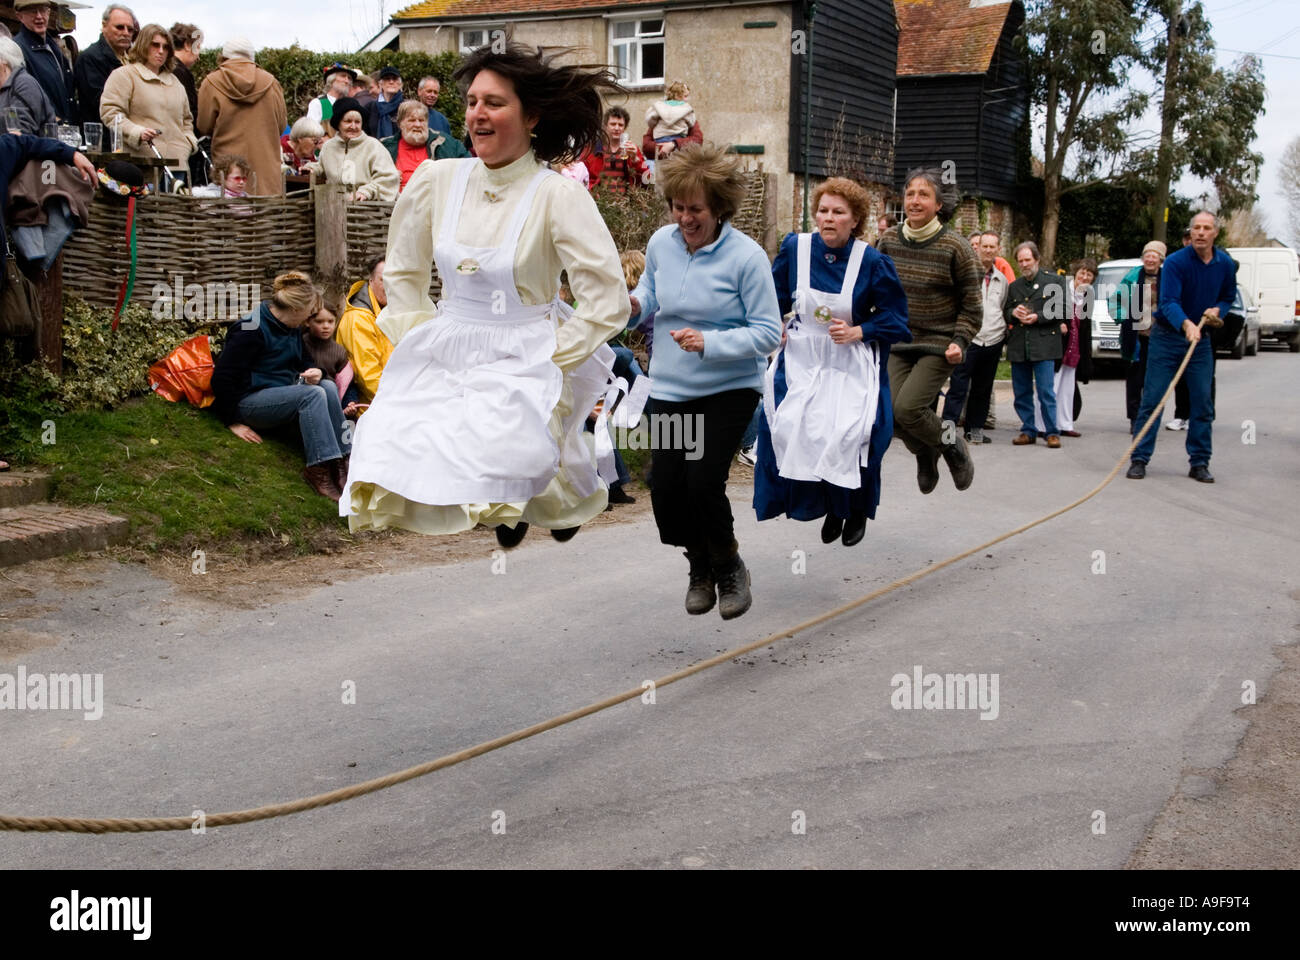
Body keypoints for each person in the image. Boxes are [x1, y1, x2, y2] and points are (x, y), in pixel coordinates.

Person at [342, 42, 629, 548]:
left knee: (514, 443)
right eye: (472, 101)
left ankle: (548, 505)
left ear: (531, 115)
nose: (477, 114)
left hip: (527, 343)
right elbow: (404, 273)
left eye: (494, 102)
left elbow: (607, 299)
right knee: (390, 433)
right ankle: (516, 504)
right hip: (451, 336)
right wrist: (419, 342)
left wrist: (552, 358)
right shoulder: (436, 179)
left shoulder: (557, 195)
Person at [628, 142, 782, 619]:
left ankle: (729, 566)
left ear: (719, 207)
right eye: (678, 207)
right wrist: (634, 306)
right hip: (671, 387)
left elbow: (768, 332)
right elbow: (650, 292)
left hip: (727, 389)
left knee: (702, 481)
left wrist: (711, 343)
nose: (686, 218)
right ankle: (699, 565)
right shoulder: (660, 244)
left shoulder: (746, 258)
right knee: (667, 487)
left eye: (696, 209)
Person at [754, 176, 910, 549]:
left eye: (838, 212)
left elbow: (896, 320)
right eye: (823, 210)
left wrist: (860, 330)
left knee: (858, 432)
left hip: (849, 359)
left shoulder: (871, 262)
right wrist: (774, 323)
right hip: (804, 356)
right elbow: (772, 295)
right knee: (792, 426)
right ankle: (825, 504)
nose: (828, 218)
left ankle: (853, 508)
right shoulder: (796, 248)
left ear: (855, 219)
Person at [876, 167, 981, 493]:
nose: (915, 200)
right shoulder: (888, 241)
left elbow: (973, 304)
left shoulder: (956, 247)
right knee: (890, 414)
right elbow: (872, 289)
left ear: (938, 204)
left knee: (908, 408)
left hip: (940, 343)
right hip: (899, 340)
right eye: (910, 194)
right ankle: (925, 452)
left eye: (924, 194)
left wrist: (961, 340)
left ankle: (952, 445)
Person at [211, 272, 352, 501]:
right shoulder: (250, 329)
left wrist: (316, 371)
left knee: (325, 385)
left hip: (283, 392)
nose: (311, 318)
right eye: (310, 313)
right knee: (312, 395)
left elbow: (303, 361)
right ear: (296, 310)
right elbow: (222, 379)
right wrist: (232, 421)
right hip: (249, 402)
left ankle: (343, 460)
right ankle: (319, 468)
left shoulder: (291, 325)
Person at [1126, 211, 1235, 483]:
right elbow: (1168, 302)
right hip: (1167, 337)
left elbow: (1228, 296)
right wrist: (1186, 324)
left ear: (1215, 233)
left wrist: (1217, 310)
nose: (1200, 232)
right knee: (1153, 400)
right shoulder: (1175, 262)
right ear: (1190, 233)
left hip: (1201, 342)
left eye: (1206, 228)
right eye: (1196, 228)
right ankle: (1139, 458)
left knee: (1202, 403)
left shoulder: (1225, 264)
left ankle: (1199, 462)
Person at [99, 24, 196, 179]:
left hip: (178, 165)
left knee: (175, 204)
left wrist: (188, 143)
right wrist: (137, 132)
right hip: (140, 164)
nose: (161, 51)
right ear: (143, 45)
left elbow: (187, 120)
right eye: (155, 45)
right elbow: (111, 113)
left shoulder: (176, 83)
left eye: (166, 47)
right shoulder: (124, 75)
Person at [197, 38, 288, 197]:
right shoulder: (272, 83)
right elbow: (281, 126)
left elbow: (204, 126)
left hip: (229, 169)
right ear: (251, 57)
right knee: (266, 216)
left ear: (224, 56)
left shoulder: (211, 82)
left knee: (229, 216)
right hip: (265, 169)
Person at [949, 230, 1009, 445]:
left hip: (992, 340)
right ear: (978, 247)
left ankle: (974, 429)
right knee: (957, 387)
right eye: (985, 246)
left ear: (998, 250)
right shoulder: (964, 274)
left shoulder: (1002, 280)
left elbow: (1002, 307)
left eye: (992, 247)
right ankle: (948, 430)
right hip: (968, 339)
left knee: (983, 389)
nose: (988, 250)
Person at [1004, 240, 1066, 447]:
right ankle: (1028, 429)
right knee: (1021, 392)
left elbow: (1062, 309)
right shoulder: (1014, 287)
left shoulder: (1055, 281)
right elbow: (1005, 312)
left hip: (1044, 345)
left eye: (1027, 260)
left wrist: (1038, 317)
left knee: (1046, 392)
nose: (1024, 264)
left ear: (1037, 259)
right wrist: (1014, 313)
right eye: (1020, 261)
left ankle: (1051, 432)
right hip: (1020, 345)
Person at [1034, 258, 1095, 438]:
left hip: (1073, 348)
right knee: (1049, 387)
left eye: (1089, 275)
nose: (1084, 277)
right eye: (1082, 273)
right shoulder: (1061, 290)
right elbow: (1047, 312)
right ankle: (1041, 425)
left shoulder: (1087, 296)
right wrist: (1058, 323)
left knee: (1067, 389)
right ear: (1075, 273)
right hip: (1056, 346)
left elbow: (1086, 326)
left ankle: (1064, 423)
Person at [1111, 240, 1164, 433]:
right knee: (1135, 380)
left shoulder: (1167, 278)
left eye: (1154, 256)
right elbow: (1116, 300)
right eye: (1147, 255)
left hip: (1160, 338)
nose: (1150, 259)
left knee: (1156, 380)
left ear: (1161, 259)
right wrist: (1122, 317)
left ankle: (1151, 417)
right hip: (1136, 337)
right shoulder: (1133, 277)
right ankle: (1134, 418)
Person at [316, 96, 398, 201]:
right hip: (335, 206)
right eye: (348, 121)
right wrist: (313, 169)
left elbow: (388, 177)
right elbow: (321, 167)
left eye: (357, 122)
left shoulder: (373, 146)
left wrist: (366, 192)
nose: (353, 126)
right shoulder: (328, 147)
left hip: (368, 207)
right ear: (338, 123)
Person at [380, 98, 469, 192]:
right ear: (400, 124)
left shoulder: (446, 143)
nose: (417, 125)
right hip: (394, 203)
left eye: (421, 120)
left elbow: (469, 167)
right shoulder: (384, 147)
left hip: (436, 202)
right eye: (412, 120)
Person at [335, 256, 391, 403]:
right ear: (371, 281)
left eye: (394, 279)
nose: (390, 285)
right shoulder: (358, 319)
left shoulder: (389, 312)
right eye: (383, 279)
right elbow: (369, 377)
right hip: (370, 407)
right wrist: (400, 402)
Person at [74, 4, 136, 126]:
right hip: (102, 134)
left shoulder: (133, 59)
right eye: (119, 27)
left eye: (130, 29)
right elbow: (100, 102)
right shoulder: (90, 58)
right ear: (104, 26)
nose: (126, 33)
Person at [10, 1, 73, 121]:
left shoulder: (52, 46)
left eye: (42, 10)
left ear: (49, 13)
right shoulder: (17, 49)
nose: (39, 16)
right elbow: (22, 95)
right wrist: (51, 119)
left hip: (63, 130)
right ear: (20, 16)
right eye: (32, 11)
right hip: (42, 132)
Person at [301, 303, 362, 416]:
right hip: (305, 396)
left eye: (330, 321)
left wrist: (350, 403)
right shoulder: (299, 344)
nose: (326, 326)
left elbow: (347, 384)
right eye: (319, 321)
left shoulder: (339, 351)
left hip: (331, 400)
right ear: (307, 322)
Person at [583, 106, 649, 194]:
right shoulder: (592, 149)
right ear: (605, 126)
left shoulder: (631, 149)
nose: (617, 128)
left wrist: (635, 159)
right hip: (599, 200)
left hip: (624, 201)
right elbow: (582, 177)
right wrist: (593, 192)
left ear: (625, 128)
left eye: (621, 125)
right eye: (613, 124)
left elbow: (646, 180)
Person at [0, 35, 54, 134]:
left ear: (4, 62)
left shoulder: (24, 84)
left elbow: (23, 134)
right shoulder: (5, 87)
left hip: (32, 149)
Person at [645, 79, 695, 156]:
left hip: (660, 138)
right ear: (678, 96)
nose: (687, 99)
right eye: (685, 96)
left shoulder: (659, 106)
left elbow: (650, 119)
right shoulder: (686, 108)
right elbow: (691, 122)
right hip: (678, 138)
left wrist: (654, 125)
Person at [167, 22, 201, 120]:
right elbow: (189, 111)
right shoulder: (181, 72)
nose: (198, 56)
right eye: (198, 47)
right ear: (188, 45)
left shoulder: (162, 67)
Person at [307, 62, 356, 128]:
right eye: (343, 76)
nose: (347, 81)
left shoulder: (352, 104)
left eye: (349, 78)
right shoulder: (317, 103)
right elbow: (311, 131)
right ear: (331, 80)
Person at [366, 65, 403, 140]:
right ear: (380, 84)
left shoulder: (406, 107)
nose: (391, 82)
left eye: (394, 79)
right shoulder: (370, 107)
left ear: (400, 84)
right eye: (387, 79)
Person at [416, 75, 452, 139]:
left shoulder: (442, 120)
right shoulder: (408, 115)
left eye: (435, 92)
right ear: (419, 91)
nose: (432, 95)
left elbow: (448, 145)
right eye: (429, 91)